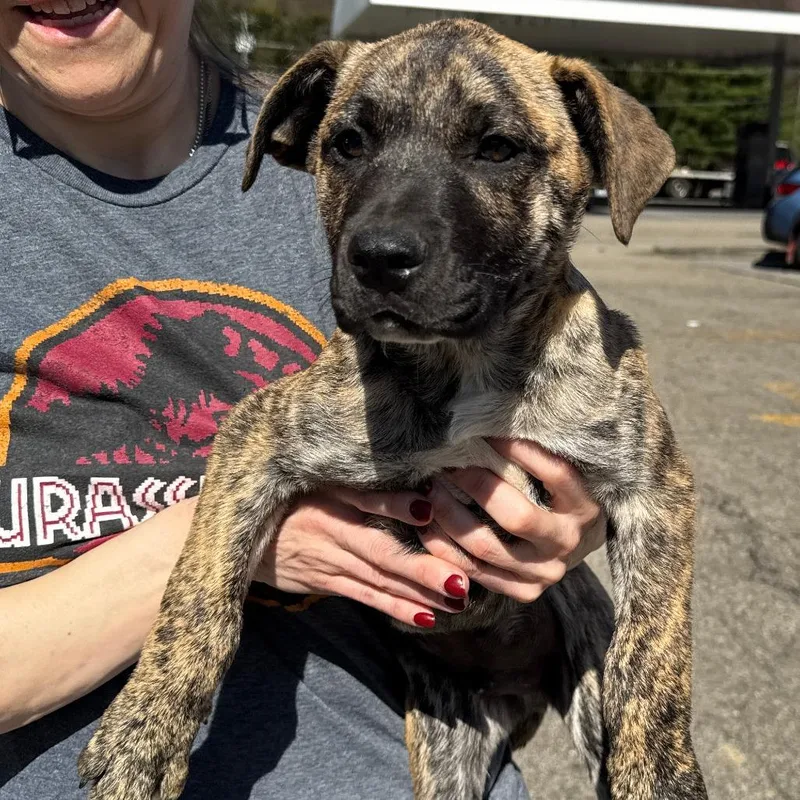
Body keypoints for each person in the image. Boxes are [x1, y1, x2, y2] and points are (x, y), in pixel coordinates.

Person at [0, 2, 607, 798]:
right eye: (346, 152)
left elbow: (574, 403)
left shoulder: (360, 117)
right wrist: (254, 531)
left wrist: (567, 513)